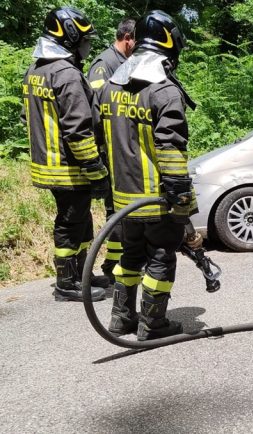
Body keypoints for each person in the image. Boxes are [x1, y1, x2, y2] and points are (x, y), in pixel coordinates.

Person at [98, 10, 199, 340]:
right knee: (159, 259)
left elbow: (102, 141)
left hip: (123, 200)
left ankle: (121, 317)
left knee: (129, 257)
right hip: (156, 201)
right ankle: (152, 324)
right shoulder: (165, 92)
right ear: (168, 48)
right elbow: (171, 156)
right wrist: (183, 206)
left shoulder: (110, 88)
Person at [21, 6, 111, 302]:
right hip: (69, 166)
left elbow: (28, 118)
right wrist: (96, 170)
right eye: (84, 38)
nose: (87, 45)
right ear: (70, 37)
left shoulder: (36, 69)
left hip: (48, 162)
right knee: (71, 223)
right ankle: (67, 283)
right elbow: (77, 130)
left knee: (81, 219)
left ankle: (82, 274)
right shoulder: (66, 74)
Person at [87, 17, 136, 284]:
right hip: (109, 149)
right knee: (114, 208)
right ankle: (112, 263)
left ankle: (117, 260)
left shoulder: (125, 62)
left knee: (120, 207)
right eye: (136, 41)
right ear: (127, 37)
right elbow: (97, 111)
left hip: (123, 147)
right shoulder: (103, 64)